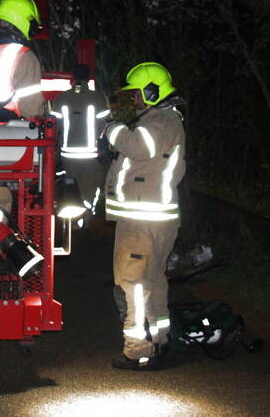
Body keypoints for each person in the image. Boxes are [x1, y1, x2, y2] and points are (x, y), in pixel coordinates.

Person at [103, 62, 186, 370]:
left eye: (137, 94)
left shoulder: (159, 122)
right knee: (153, 281)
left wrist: (112, 129)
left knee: (133, 284)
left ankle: (138, 350)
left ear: (152, 92)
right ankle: (161, 342)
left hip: (142, 222)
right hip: (155, 221)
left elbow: (138, 146)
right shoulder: (165, 120)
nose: (134, 100)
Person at [50, 63, 109, 217]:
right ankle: (86, 217)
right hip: (90, 155)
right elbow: (106, 125)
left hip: (68, 155)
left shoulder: (61, 98)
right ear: (88, 78)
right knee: (90, 187)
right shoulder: (98, 97)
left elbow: (54, 127)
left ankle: (72, 223)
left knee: (71, 189)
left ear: (72, 77)